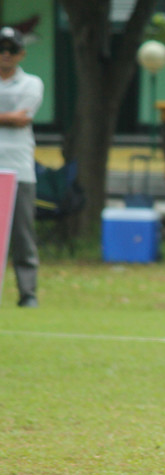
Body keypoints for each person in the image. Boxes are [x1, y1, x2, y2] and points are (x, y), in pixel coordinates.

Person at [0, 26, 42, 308]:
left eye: (11, 49)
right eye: (1, 48)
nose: (5, 54)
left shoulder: (32, 83)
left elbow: (22, 120)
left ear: (21, 54)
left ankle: (28, 293)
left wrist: (13, 117)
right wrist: (8, 116)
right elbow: (12, 117)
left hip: (19, 167)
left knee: (23, 233)